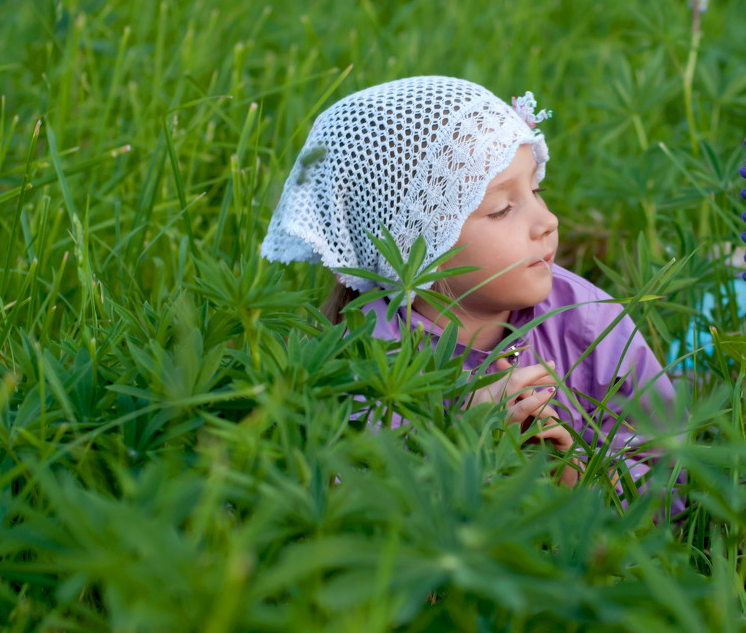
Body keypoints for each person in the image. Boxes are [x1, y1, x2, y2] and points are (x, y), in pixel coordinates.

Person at [261, 75, 678, 494]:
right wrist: (463, 432)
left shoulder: (586, 315)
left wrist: (576, 479)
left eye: (538, 189)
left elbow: (670, 467)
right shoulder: (370, 357)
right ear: (412, 247)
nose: (548, 221)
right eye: (501, 209)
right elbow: (357, 502)